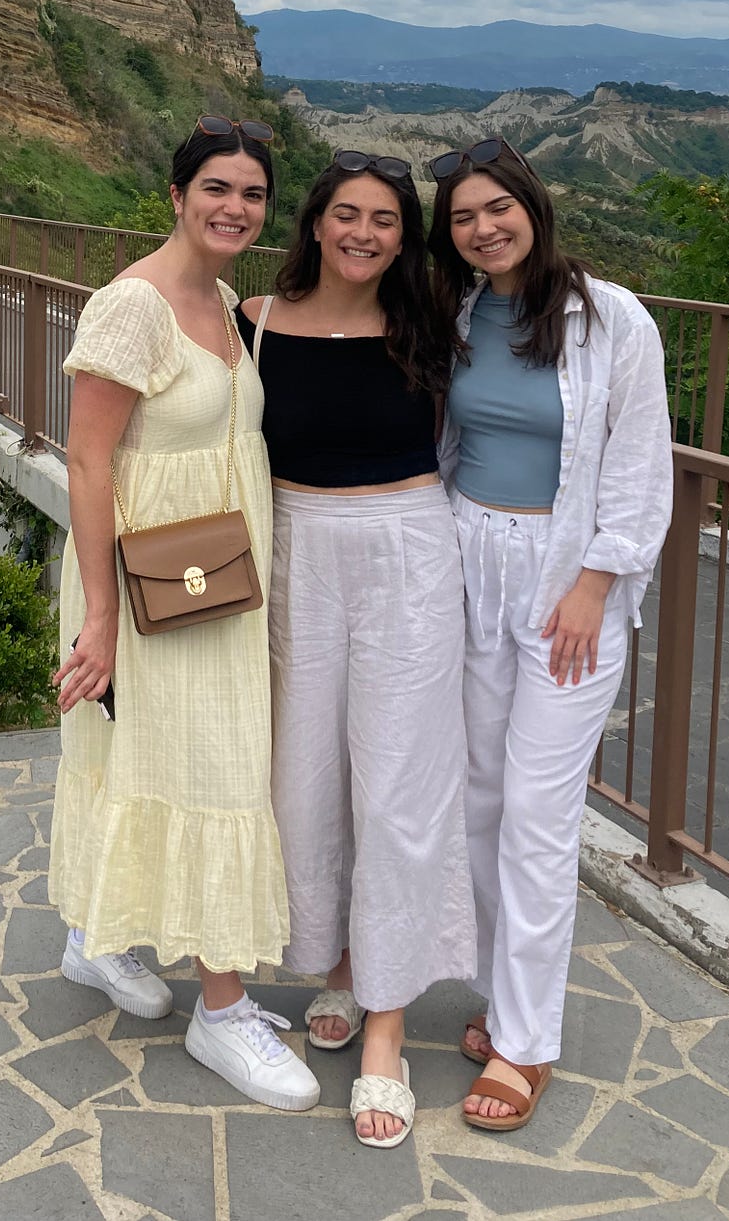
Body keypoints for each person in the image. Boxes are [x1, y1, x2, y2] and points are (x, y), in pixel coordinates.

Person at [52, 117, 320, 1113]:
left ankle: (96, 934)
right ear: (175, 194)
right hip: (150, 586)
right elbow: (85, 461)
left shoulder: (219, 300)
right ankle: (222, 1007)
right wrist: (99, 616)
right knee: (209, 771)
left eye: (252, 194)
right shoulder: (132, 309)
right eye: (216, 188)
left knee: (150, 761)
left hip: (213, 583)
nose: (235, 208)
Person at [427, 138, 672, 1133]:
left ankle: (528, 1046)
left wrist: (595, 580)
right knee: (480, 801)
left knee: (536, 811)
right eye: (462, 217)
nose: (484, 228)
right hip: (466, 564)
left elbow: (640, 461)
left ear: (531, 204)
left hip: (567, 584)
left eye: (498, 208)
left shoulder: (610, 318)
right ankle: (505, 1000)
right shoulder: (452, 313)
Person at [237, 152, 472, 1150]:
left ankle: (385, 1030)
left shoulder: (429, 329)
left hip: (408, 555)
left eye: (384, 219)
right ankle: (337, 961)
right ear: (314, 222)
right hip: (293, 553)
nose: (364, 233)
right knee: (305, 779)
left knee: (396, 789)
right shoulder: (251, 323)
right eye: (346, 214)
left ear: (404, 236)